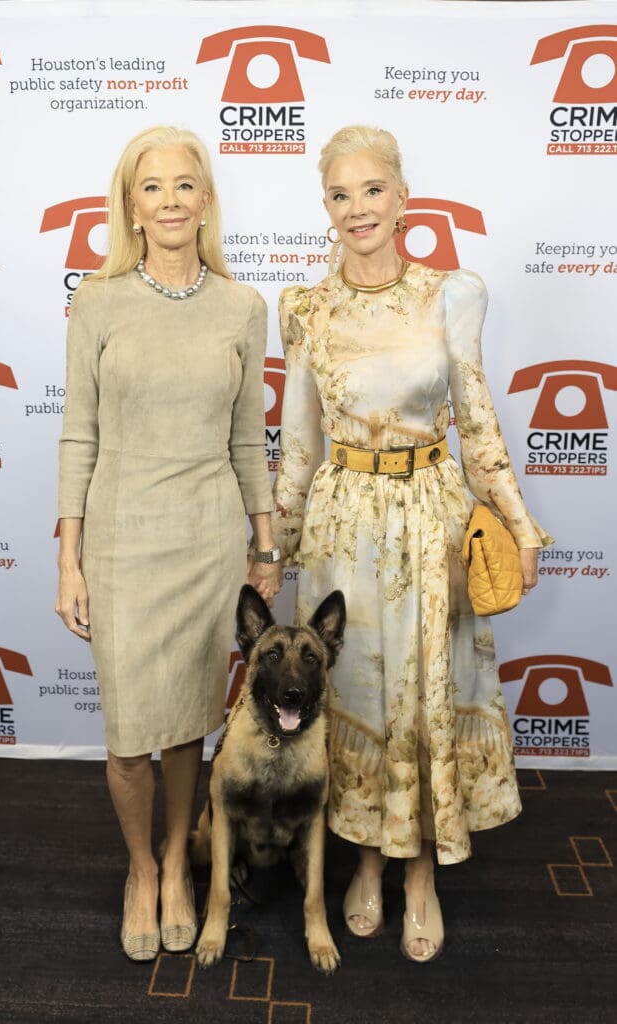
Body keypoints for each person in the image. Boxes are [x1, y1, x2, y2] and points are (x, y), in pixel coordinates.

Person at [271, 125, 552, 962]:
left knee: (425, 696)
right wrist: (273, 550)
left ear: (402, 199)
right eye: (340, 194)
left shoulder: (450, 294)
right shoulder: (306, 308)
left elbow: (475, 420)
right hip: (342, 528)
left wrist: (519, 523)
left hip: (430, 520)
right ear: (325, 208)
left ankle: (420, 872)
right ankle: (365, 860)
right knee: (353, 690)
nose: (357, 208)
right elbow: (296, 443)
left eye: (371, 190)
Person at [55, 125, 281, 961]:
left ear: (206, 200)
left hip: (209, 542)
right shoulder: (98, 300)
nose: (171, 200)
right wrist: (67, 559)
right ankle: (140, 869)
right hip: (119, 540)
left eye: (186, 184)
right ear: (131, 206)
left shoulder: (241, 306)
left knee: (186, 725)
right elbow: (78, 435)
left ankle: (181, 870)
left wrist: (264, 549)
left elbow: (248, 440)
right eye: (152, 187)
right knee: (126, 737)